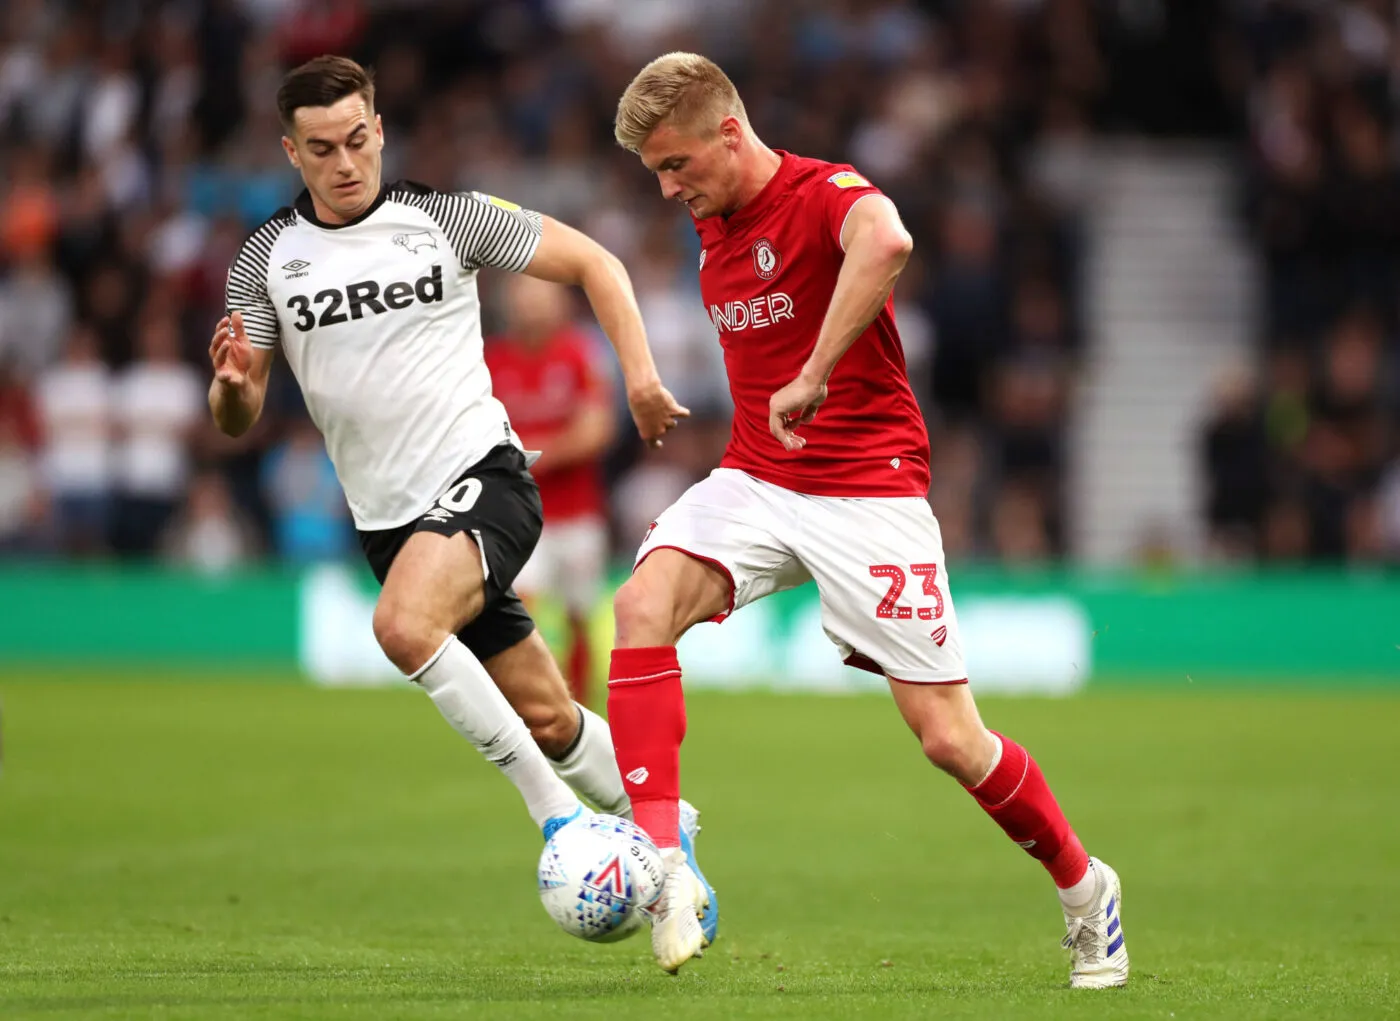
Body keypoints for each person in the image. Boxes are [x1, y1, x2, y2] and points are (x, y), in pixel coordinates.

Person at [607, 52, 1128, 986]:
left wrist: (814, 373)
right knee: (640, 606)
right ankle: (664, 863)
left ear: (731, 132)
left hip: (869, 489)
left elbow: (887, 244)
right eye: (656, 173)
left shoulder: (820, 192)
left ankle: (1087, 891)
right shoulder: (712, 226)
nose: (669, 186)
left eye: (677, 163)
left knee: (949, 740)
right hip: (760, 478)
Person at [209, 56, 716, 935]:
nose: (345, 161)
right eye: (322, 147)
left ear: (380, 130)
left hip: (483, 479)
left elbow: (596, 262)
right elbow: (237, 412)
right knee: (551, 714)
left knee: (404, 627)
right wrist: (229, 386)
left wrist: (638, 376)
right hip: (390, 525)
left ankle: (558, 821)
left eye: (358, 139)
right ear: (292, 153)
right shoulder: (264, 261)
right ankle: (677, 842)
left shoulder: (443, 219)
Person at [485, 274, 616, 706]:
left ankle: (581, 706)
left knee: (580, 613)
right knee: (525, 608)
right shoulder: (490, 360)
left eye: (540, 300)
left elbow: (598, 429)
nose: (532, 310)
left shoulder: (579, 353)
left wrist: (528, 456)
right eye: (523, 301)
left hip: (576, 511)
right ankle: (538, 700)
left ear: (560, 305)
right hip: (517, 517)